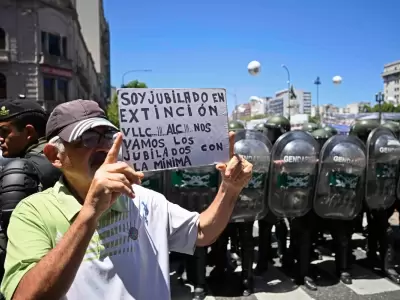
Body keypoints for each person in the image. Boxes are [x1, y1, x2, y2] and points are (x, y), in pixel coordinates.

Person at [0, 99, 253, 300]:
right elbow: (26, 296)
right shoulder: (33, 212)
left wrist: (229, 189)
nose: (103, 148)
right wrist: (89, 213)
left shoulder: (142, 197)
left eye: (107, 137)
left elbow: (201, 233)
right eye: (87, 139)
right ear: (55, 155)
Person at [0, 99, 61, 282]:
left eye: (4, 132)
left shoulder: (21, 169)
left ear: (28, 132)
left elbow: (10, 239)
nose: (0, 139)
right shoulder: (64, 159)